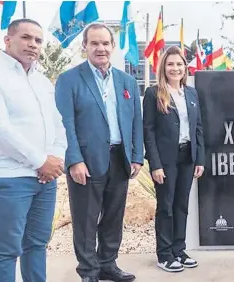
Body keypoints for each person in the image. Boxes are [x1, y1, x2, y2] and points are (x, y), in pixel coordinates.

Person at [0, 19, 66, 282]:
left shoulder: (42, 81)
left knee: (37, 245)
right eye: (26, 37)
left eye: (38, 40)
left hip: (44, 179)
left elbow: (57, 124)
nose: (33, 44)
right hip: (8, 176)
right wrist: (41, 161)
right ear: (8, 40)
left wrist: (55, 159)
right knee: (7, 250)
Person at [54, 23, 143, 282]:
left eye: (105, 43)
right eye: (94, 43)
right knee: (86, 220)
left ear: (113, 47)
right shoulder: (69, 79)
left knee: (114, 217)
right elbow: (65, 124)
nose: (100, 48)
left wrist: (136, 156)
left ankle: (107, 264)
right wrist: (74, 160)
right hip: (86, 162)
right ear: (85, 47)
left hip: (120, 159)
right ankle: (89, 271)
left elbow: (135, 120)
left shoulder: (127, 81)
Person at [142, 46, 205, 273]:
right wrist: (155, 164)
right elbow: (147, 131)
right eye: (170, 64)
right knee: (166, 207)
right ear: (163, 67)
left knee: (181, 205)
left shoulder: (191, 94)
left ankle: (179, 249)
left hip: (188, 156)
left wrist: (200, 159)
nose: (175, 68)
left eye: (179, 64)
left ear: (184, 67)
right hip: (165, 160)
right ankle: (165, 254)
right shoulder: (153, 94)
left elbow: (198, 128)